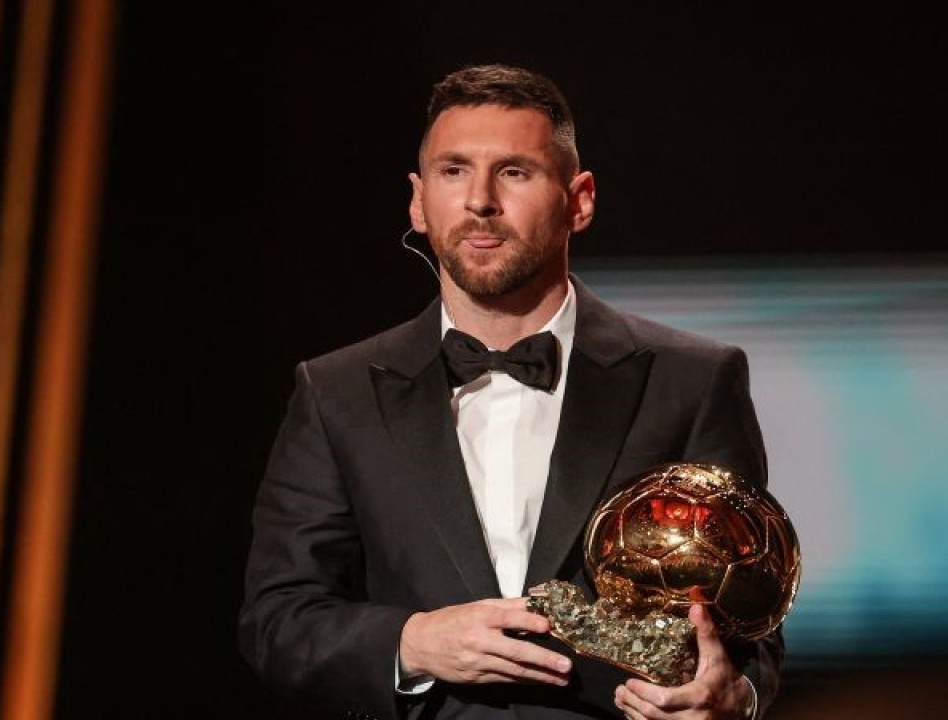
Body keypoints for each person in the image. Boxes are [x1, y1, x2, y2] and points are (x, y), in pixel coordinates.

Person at [237, 63, 781, 720]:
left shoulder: (691, 381)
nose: (479, 201)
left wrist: (735, 698)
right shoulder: (336, 393)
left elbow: (749, 619)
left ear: (578, 200)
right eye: (453, 170)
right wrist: (413, 642)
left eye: (514, 172)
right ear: (417, 198)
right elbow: (279, 620)